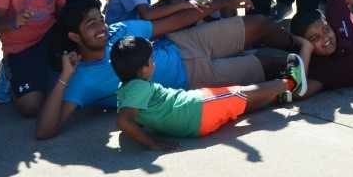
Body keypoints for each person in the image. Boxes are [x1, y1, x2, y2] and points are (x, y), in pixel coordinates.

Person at [34, 0, 296, 140]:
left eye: (100, 20)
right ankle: (309, 65)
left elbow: (173, 23)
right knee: (270, 66)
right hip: (193, 77)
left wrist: (221, 4)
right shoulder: (82, 81)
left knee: (259, 23)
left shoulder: (119, 30)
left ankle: (306, 43)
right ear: (74, 37)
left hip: (185, 42)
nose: (102, 27)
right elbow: (44, 131)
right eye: (91, 25)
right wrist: (65, 78)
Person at [110, 36, 302, 151]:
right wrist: (151, 144)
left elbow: (134, 117)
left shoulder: (126, 88)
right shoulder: (138, 88)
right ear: (143, 70)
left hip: (194, 115)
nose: (155, 64)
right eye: (151, 61)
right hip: (196, 109)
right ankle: (291, 82)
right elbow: (123, 121)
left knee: (238, 105)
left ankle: (278, 96)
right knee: (240, 93)